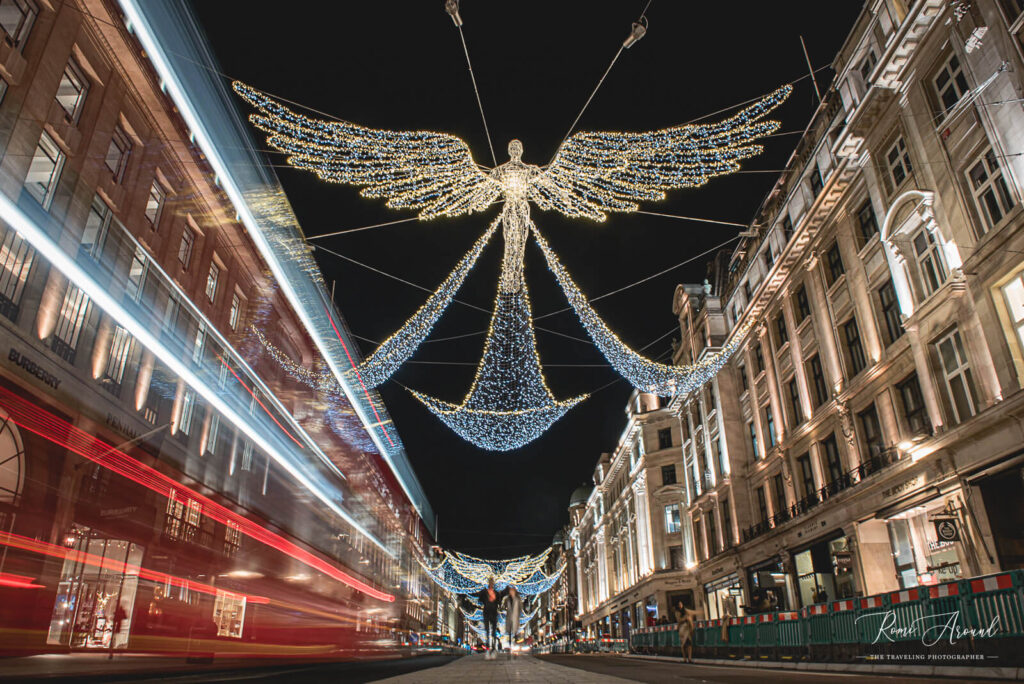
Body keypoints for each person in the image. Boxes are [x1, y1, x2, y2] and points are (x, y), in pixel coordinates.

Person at [476, 576, 505, 658]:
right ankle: (488, 649)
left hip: (494, 613)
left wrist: (496, 601)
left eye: (492, 582)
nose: (491, 584)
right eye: (490, 582)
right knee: (487, 631)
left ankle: (493, 649)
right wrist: (486, 601)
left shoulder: (496, 593)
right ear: (488, 583)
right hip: (486, 612)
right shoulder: (484, 592)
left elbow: (499, 602)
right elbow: (480, 600)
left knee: (493, 633)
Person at [503, 585, 523, 658]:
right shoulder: (507, 599)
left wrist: (518, 616)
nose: (511, 592)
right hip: (509, 618)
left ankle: (514, 651)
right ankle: (509, 651)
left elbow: (520, 608)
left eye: (512, 590)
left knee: (515, 635)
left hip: (515, 618)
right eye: (510, 590)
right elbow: (505, 607)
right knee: (509, 635)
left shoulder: (518, 599)